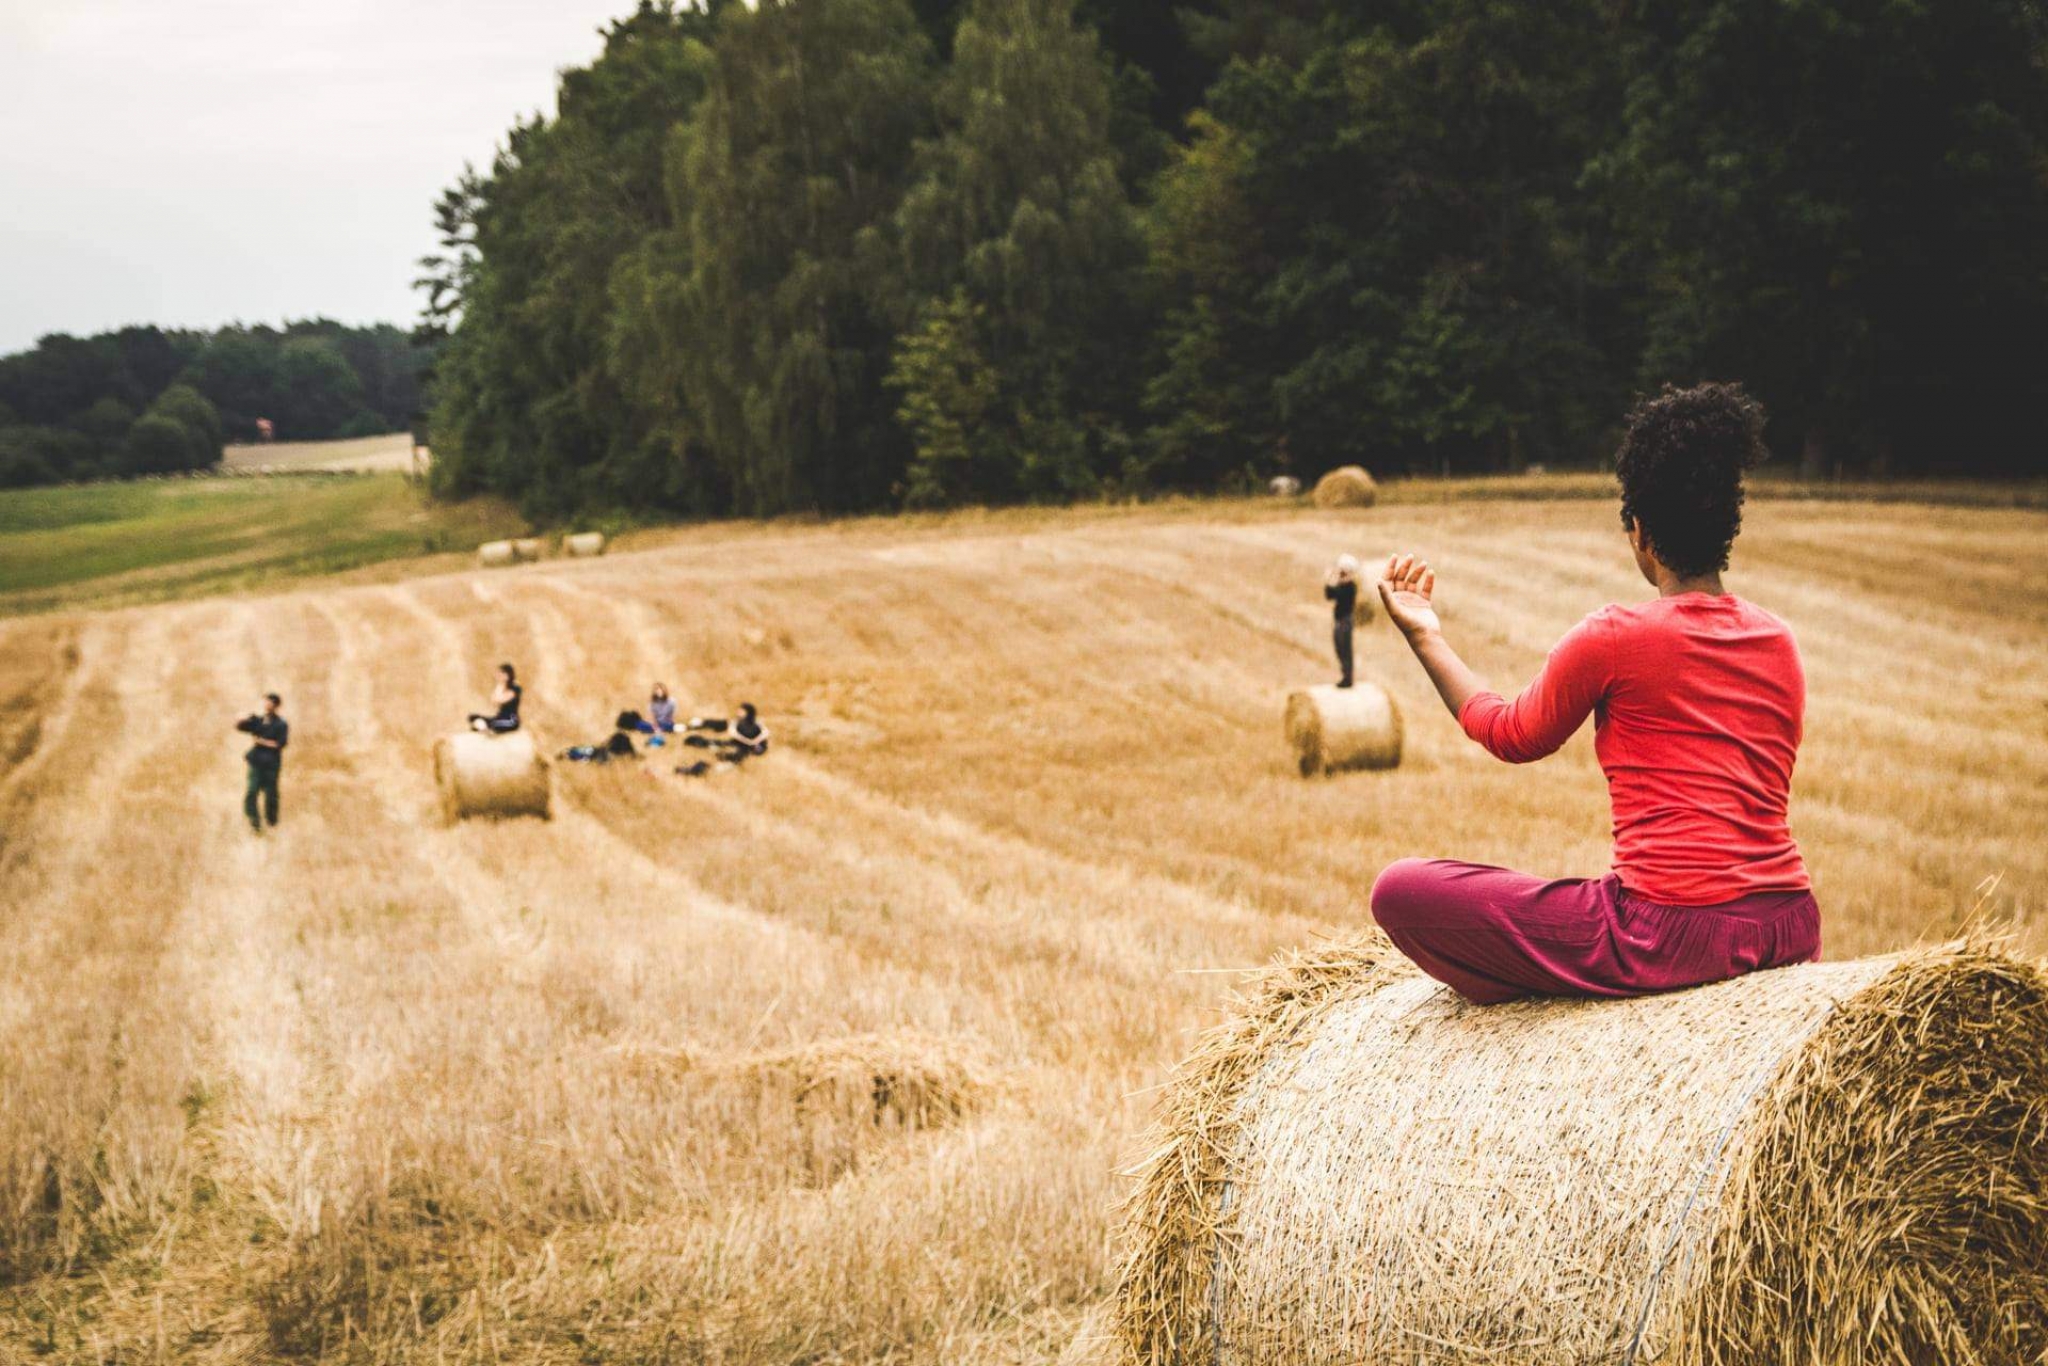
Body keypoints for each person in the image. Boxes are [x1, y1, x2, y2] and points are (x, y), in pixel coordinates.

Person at [1369, 382, 1820, 1005]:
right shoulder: (1780, 641)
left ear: (1639, 533)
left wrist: (1425, 635)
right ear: (1726, 528)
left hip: (1665, 933)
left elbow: (1509, 734)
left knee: (1399, 891)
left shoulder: (1613, 636)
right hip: (1789, 926)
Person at [236, 692, 288, 833]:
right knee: (252, 791)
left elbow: (280, 744)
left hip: (271, 764)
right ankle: (255, 822)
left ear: (276, 705)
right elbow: (240, 727)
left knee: (271, 794)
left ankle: (272, 822)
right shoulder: (259, 720)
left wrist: (262, 742)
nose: (267, 704)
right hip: (256, 762)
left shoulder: (281, 724)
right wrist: (242, 718)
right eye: (266, 702)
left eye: (270, 702)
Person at [1324, 554, 1361, 688]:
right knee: (1340, 649)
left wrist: (1331, 578)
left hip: (1345, 622)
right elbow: (1329, 595)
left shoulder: (1350, 587)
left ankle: (1347, 678)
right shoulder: (1345, 585)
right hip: (1340, 622)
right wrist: (1331, 580)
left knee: (1345, 649)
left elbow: (1333, 593)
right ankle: (1346, 676)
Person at [468, 663, 522, 734]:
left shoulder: (515, 688)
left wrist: (500, 684)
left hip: (511, 720)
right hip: (499, 717)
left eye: (502, 674)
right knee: (473, 717)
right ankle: (484, 728)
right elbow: (493, 701)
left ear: (508, 675)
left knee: (493, 724)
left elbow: (499, 700)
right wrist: (500, 684)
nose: (499, 676)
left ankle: (485, 728)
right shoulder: (501, 687)